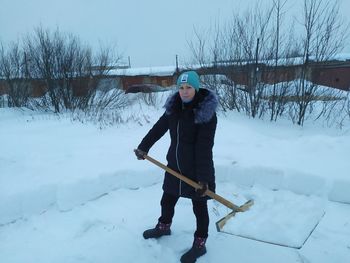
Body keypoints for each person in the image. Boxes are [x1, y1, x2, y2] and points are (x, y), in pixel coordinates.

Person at [134, 70, 218, 263]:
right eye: (181, 87)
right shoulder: (174, 109)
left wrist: (204, 179)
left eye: (189, 87)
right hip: (174, 167)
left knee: (199, 208)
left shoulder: (206, 115)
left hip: (198, 171)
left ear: (196, 88)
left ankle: (200, 243)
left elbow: (205, 149)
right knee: (167, 200)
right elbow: (158, 129)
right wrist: (143, 147)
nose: (185, 91)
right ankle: (164, 226)